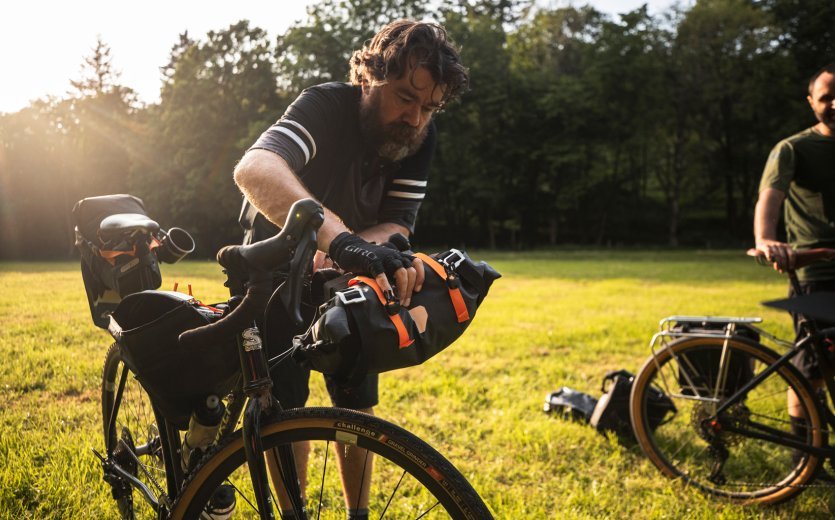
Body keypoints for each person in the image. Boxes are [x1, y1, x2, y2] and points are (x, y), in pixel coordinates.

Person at [233, 19, 468, 518]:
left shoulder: (419, 137)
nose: (416, 117)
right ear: (368, 77)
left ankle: (358, 515)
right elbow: (255, 168)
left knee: (357, 405)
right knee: (288, 412)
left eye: (430, 106)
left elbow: (397, 223)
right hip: (276, 267)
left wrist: (356, 249)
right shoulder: (326, 105)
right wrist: (338, 239)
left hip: (349, 272)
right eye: (406, 96)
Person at [753, 61, 835, 457]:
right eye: (827, 97)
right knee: (811, 371)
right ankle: (804, 457)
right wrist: (766, 239)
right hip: (819, 273)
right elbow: (769, 198)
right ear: (811, 102)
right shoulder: (794, 148)